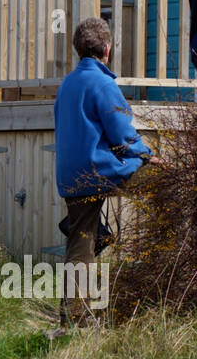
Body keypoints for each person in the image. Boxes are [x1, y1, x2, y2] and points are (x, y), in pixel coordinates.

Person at [53, 17, 159, 327]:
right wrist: (149, 156)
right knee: (166, 184)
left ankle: (74, 316)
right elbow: (123, 136)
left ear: (78, 50)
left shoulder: (67, 84)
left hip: (71, 176)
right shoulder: (102, 84)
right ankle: (162, 272)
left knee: (80, 241)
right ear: (107, 49)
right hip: (98, 171)